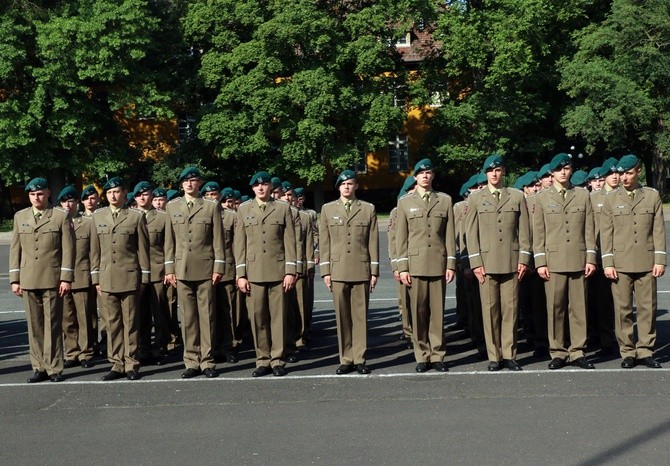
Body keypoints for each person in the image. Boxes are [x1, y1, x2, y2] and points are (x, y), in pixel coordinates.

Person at [465, 155, 531, 371]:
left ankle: (510, 354)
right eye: (490, 171)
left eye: (498, 170)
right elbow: (471, 233)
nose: (494, 174)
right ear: (485, 174)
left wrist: (523, 258)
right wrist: (475, 262)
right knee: (490, 310)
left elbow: (524, 231)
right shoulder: (475, 199)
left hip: (511, 262)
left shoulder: (516, 196)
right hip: (486, 262)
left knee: (510, 309)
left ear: (504, 172)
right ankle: (494, 355)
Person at [600, 154, 666, 368]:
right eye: (621, 174)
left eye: (628, 173)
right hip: (620, 262)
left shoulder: (651, 196)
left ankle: (646, 349)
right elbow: (606, 233)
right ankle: (628, 351)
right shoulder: (610, 199)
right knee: (623, 309)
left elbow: (658, 231)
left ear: (638, 172)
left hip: (646, 261)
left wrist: (660, 260)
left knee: (648, 308)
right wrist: (608, 262)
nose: (623, 178)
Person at [532, 153, 597, 370]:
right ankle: (558, 351)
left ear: (571, 171)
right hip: (553, 260)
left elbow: (590, 229)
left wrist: (591, 258)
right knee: (555, 308)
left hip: (578, 259)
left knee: (579, 308)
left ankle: (578, 351)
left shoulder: (582, 195)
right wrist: (540, 261)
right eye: (559, 169)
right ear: (552, 173)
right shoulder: (542, 198)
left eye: (567, 169)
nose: (563, 172)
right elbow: (538, 233)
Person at [10, 177, 75, 383]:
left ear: (48, 193)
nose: (36, 197)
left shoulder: (59, 216)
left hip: (52, 278)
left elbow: (68, 249)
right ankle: (39, 367)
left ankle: (54, 367)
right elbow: (15, 249)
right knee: (35, 326)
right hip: (28, 278)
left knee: (52, 324)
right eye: (32, 194)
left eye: (39, 194)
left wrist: (66, 278)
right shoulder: (20, 217)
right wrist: (15, 279)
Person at [234, 171, 297, 377]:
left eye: (265, 185)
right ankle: (262, 359)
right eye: (257, 186)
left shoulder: (283, 208)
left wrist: (290, 271)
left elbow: (289, 242)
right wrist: (241, 274)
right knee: (257, 317)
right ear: (252, 188)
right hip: (254, 272)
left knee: (278, 318)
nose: (261, 188)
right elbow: (240, 244)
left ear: (271, 187)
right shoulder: (243, 210)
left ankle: (277, 359)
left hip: (278, 271)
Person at [396, 159, 456, 372]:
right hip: (416, 264)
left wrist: (451, 264)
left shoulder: (444, 201)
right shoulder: (405, 202)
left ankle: (437, 354)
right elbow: (400, 238)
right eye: (421, 174)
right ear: (415, 178)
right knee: (419, 312)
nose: (425, 176)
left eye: (429, 173)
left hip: (438, 263)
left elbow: (449, 235)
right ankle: (422, 355)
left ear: (432, 176)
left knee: (437, 312)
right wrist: (402, 267)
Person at [165, 167, 225, 379]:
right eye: (186, 181)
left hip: (206, 268)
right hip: (181, 269)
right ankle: (191, 360)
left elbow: (218, 240)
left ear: (199, 183)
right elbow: (169, 242)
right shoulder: (172, 207)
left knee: (207, 315)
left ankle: (207, 361)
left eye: (193, 181)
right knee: (188, 318)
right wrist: (169, 269)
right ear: (181, 185)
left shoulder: (211, 206)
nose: (189, 184)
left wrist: (219, 267)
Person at [90, 177, 150, 381]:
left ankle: (131, 363)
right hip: (106, 278)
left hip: (130, 276)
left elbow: (143, 250)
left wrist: (144, 278)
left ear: (124, 193)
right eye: (109, 193)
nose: (113, 196)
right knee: (112, 323)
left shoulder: (135, 216)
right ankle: (116, 363)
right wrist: (95, 278)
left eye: (116, 192)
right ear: (105, 196)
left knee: (131, 322)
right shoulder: (97, 217)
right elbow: (94, 251)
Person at [320, 170, 379, 374]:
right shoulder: (327, 210)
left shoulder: (367, 209)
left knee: (360, 316)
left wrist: (374, 271)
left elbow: (372, 242)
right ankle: (346, 358)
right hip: (338, 270)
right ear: (338, 187)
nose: (346, 187)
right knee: (342, 316)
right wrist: (325, 271)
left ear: (356, 186)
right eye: (343, 184)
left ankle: (360, 357)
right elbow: (325, 242)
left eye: (350, 183)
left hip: (361, 268)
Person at [58, 185, 95, 369]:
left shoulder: (87, 223)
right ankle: (71, 352)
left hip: (82, 275)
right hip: (62, 279)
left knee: (84, 318)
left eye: (71, 200)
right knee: (67, 319)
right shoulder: (56, 222)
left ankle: (86, 353)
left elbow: (94, 252)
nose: (67, 204)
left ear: (77, 202)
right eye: (64, 201)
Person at [134, 181, 171, 365]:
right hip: (137, 272)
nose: (142, 197)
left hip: (158, 270)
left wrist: (168, 269)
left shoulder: (163, 217)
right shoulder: (130, 216)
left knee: (160, 311)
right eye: (139, 195)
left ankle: (160, 348)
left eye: (146, 194)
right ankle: (144, 347)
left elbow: (169, 246)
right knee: (141, 313)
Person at [388, 177, 417, 348]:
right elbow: (393, 240)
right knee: (405, 299)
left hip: (420, 260)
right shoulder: (397, 211)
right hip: (403, 261)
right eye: (411, 190)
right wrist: (396, 265)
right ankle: (408, 331)